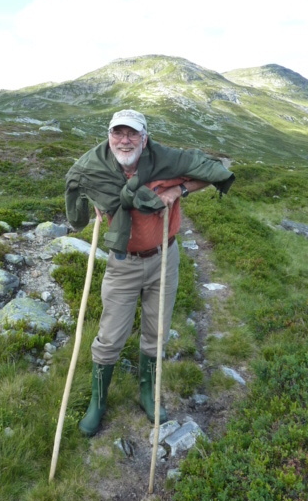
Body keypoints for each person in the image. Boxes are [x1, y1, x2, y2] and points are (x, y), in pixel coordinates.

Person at [65, 109, 235, 436]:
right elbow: (79, 183)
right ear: (109, 136)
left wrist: (179, 191)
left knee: (157, 330)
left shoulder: (166, 161)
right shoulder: (97, 168)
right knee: (111, 334)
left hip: (164, 256)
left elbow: (214, 171)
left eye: (132, 134)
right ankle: (97, 402)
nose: (124, 140)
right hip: (124, 261)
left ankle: (147, 393)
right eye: (118, 133)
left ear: (144, 138)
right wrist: (96, 200)